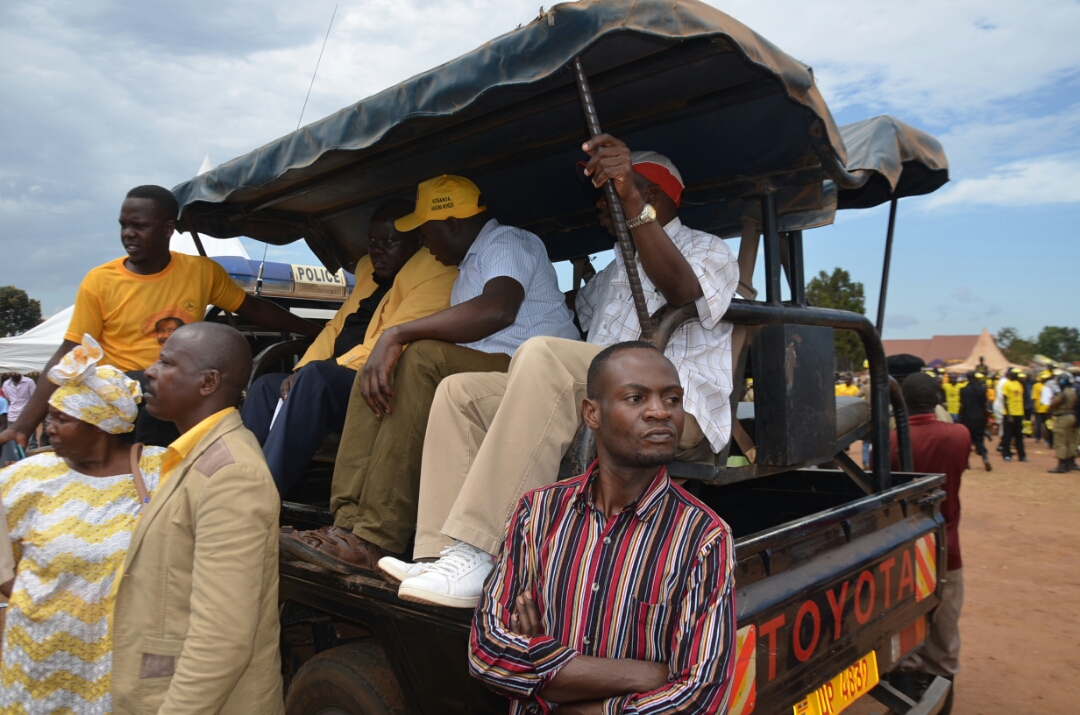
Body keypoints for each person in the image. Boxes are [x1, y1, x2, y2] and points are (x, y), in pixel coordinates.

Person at [384, 138, 739, 608]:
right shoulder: (617, 268)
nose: (600, 204)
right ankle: (439, 555)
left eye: (612, 191)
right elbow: (569, 315)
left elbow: (680, 290)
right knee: (459, 391)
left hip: (669, 405)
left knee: (543, 355)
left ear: (650, 196)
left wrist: (629, 198)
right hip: (603, 397)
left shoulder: (707, 249)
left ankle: (487, 550)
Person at [280, 174, 578, 575]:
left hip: (534, 374)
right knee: (379, 367)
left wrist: (397, 334)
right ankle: (345, 525)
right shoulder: (467, 264)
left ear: (454, 224)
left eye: (426, 231)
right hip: (488, 371)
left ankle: (374, 538)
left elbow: (499, 309)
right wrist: (387, 349)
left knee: (415, 357)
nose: (423, 242)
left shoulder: (506, 242)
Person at [469, 342, 736, 715]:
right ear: (592, 414)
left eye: (672, 399)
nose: (660, 412)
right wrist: (644, 675)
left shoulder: (703, 537)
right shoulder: (538, 512)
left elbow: (701, 698)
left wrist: (564, 697)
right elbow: (487, 655)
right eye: (636, 398)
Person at [0, 185, 322, 451]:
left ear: (168, 229)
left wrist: (320, 331)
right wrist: (24, 424)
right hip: (121, 395)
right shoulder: (100, 282)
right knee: (150, 388)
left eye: (139, 226)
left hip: (177, 394)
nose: (128, 234)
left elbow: (255, 309)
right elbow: (68, 354)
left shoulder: (200, 272)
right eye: (124, 225)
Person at [111, 323, 283, 715]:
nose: (149, 372)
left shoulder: (232, 475)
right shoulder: (192, 455)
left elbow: (221, 640)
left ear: (208, 382)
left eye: (167, 363)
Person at [241, 200, 457, 493]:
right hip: (337, 378)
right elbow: (335, 327)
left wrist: (316, 371)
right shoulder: (370, 275)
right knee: (267, 386)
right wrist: (301, 368)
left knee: (317, 378)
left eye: (389, 241)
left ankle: (258, 496)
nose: (377, 249)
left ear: (417, 241)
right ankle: (238, 478)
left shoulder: (436, 273)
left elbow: (394, 341)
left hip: (381, 384)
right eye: (372, 241)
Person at [0, 336, 165, 714]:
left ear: (100, 425)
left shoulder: (161, 471)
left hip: (120, 658)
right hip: (39, 654)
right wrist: (30, 598)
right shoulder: (29, 477)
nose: (49, 428)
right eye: (49, 418)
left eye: (62, 419)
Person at [889, 373, 968, 711]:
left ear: (901, 402)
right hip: (946, 545)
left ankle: (905, 695)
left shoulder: (890, 440)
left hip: (905, 547)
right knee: (945, 635)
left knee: (905, 626)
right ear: (938, 399)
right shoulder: (959, 435)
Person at [958, 371, 991, 471]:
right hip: (979, 418)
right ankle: (985, 457)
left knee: (966, 441)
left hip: (967, 418)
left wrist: (960, 418)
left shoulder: (963, 390)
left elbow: (962, 406)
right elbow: (984, 405)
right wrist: (985, 418)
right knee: (979, 440)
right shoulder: (982, 390)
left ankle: (966, 462)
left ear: (967, 377)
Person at [1047, 375, 1078, 474]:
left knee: (1060, 442)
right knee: (1069, 440)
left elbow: (1053, 404)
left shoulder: (1062, 393)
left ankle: (1062, 465)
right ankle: (1069, 463)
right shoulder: (1072, 392)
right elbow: (1075, 402)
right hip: (1071, 416)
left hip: (1062, 417)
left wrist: (1052, 400)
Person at [1000, 369, 1027, 462]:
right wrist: (1009, 415)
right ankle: (1006, 454)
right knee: (1008, 435)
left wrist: (1022, 413)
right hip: (1010, 414)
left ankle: (1022, 455)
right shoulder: (1006, 384)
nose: (1017, 376)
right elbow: (1005, 400)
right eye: (1016, 374)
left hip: (1019, 413)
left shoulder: (1019, 384)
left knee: (1019, 435)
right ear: (1011, 374)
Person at [1032, 370, 1052, 444]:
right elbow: (1034, 397)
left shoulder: (1048, 386)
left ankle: (1048, 438)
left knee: (1048, 424)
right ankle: (1038, 437)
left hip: (1047, 408)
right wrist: (1034, 407)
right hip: (1039, 408)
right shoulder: (1036, 386)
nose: (1044, 380)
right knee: (1038, 423)